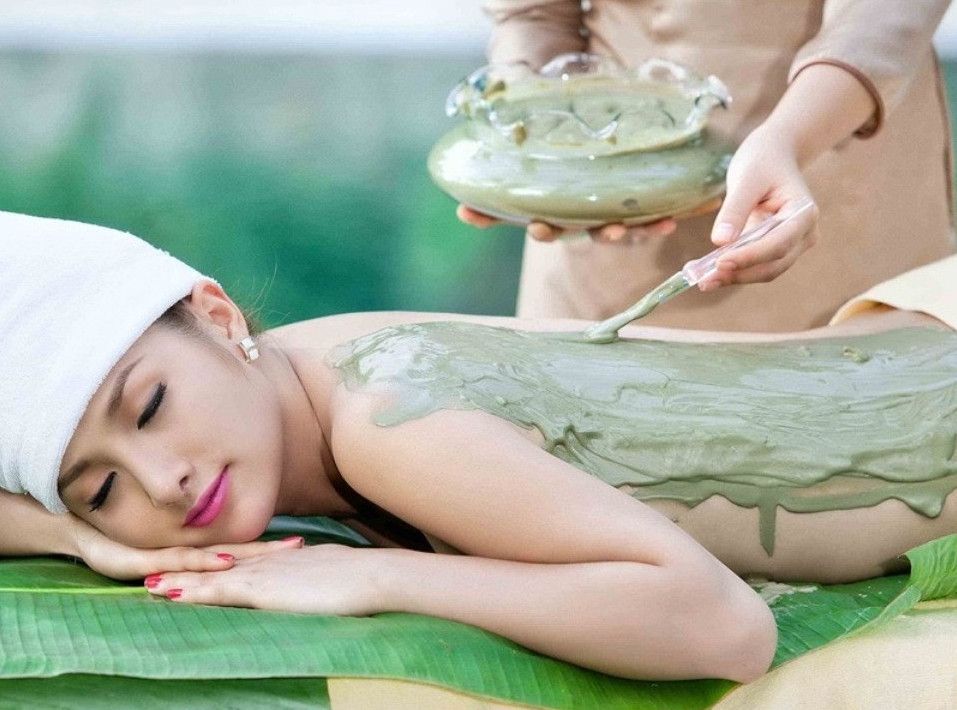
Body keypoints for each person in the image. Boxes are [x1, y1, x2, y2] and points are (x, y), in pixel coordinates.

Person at [2, 211, 957, 684]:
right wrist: (77, 538)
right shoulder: (296, 372)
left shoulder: (384, 425)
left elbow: (723, 630)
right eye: (100, 489)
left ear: (215, 316)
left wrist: (376, 578)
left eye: (150, 406)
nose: (161, 481)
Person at [458, 0, 956, 332]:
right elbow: (534, 14)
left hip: (836, 166)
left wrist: (789, 138)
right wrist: (532, 131)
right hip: (607, 194)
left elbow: (883, 16)